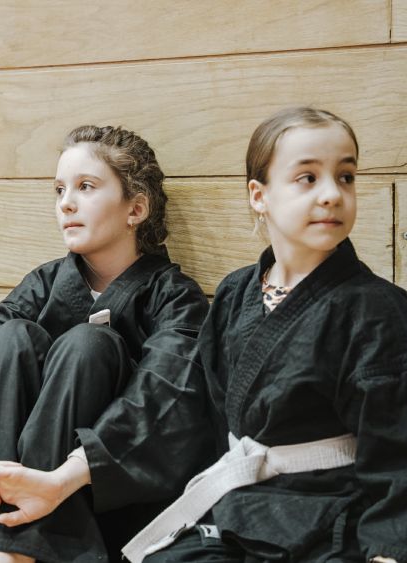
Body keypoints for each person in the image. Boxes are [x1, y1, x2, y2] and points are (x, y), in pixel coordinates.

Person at [0, 125, 212, 562]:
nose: (66, 203)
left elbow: (164, 400)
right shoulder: (44, 283)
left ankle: (15, 552)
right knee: (13, 337)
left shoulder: (175, 297)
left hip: (95, 503)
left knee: (89, 344)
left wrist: (62, 478)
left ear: (136, 208)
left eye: (85, 187)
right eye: (59, 190)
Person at [128, 108, 406, 563]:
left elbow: (397, 451)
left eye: (346, 176)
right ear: (259, 196)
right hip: (242, 505)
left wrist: (388, 550)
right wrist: (76, 472)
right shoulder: (236, 291)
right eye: (307, 178)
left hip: (333, 516)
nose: (332, 195)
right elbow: (201, 413)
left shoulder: (378, 310)